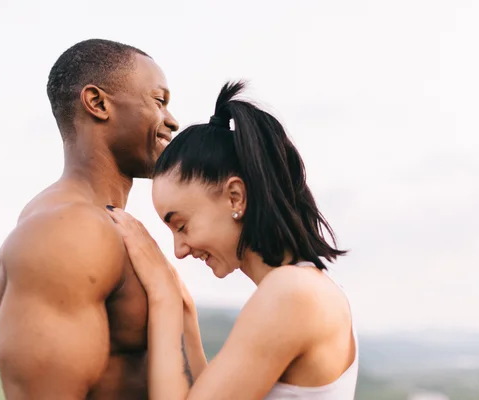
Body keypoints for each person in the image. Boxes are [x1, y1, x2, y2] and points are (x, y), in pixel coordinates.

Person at [106, 81, 358, 399]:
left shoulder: (292, 294)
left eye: (181, 226)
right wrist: (182, 307)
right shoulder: (309, 287)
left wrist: (162, 295)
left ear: (235, 197)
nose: (179, 251)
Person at [0, 38, 179, 399]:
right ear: (97, 103)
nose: (172, 120)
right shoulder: (68, 232)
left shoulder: (99, 223)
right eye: (159, 101)